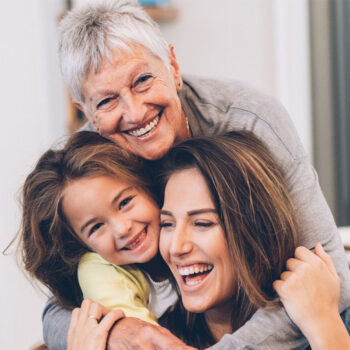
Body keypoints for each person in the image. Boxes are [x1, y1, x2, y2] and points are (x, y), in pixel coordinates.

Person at [44, 0, 350, 349]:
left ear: (173, 66)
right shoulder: (92, 165)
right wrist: (116, 331)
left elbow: (327, 282)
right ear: (87, 114)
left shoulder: (249, 121)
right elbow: (56, 311)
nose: (134, 112)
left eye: (142, 80)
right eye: (107, 101)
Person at [66, 132, 350, 350]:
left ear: (253, 229)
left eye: (202, 223)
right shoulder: (160, 335)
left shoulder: (317, 317)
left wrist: (324, 325)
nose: (176, 247)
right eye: (167, 224)